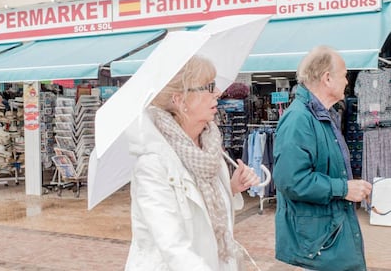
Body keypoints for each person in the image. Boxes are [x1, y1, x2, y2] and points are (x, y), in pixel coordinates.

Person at [124, 55, 261, 270]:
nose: (218, 93)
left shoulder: (210, 149)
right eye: (209, 86)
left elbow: (208, 216)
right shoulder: (153, 164)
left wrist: (231, 188)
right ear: (180, 100)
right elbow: (172, 245)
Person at [272, 45, 372, 271]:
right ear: (327, 78)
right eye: (345, 75)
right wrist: (344, 188)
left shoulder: (322, 116)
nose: (348, 82)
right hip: (318, 245)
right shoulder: (299, 119)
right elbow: (291, 181)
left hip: (327, 238)